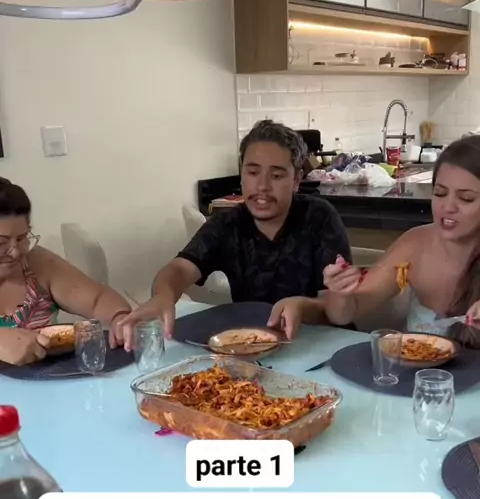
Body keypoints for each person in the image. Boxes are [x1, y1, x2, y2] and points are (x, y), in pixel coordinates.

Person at [118, 119, 351, 346]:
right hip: (254, 347)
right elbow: (179, 269)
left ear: (296, 180)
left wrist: (303, 307)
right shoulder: (228, 224)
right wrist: (163, 296)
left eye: (276, 175)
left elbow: (339, 307)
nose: (262, 186)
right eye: (253, 172)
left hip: (321, 344)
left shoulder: (318, 217)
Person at [268, 134, 480, 346]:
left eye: (466, 198)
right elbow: (345, 314)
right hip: (413, 366)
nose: (448, 207)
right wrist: (341, 293)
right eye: (440, 193)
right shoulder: (415, 244)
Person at [0, 178, 132, 365]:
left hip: (49, 381)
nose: (15, 252)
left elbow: (97, 300)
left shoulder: (37, 264)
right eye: (1, 242)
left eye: (22, 238)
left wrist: (120, 318)